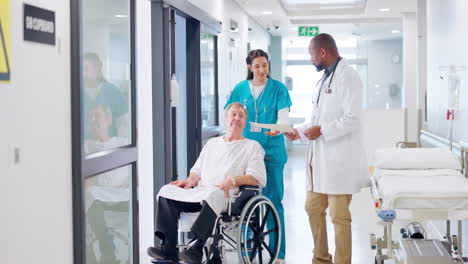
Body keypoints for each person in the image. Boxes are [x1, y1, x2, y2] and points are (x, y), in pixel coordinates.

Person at [285, 33, 369, 264]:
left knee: (339, 217)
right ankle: (321, 258)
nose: (310, 59)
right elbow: (317, 118)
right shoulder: (324, 79)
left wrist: (321, 130)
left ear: (322, 52)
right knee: (312, 208)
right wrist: (299, 131)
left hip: (339, 163)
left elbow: (353, 119)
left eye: (311, 54)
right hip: (319, 163)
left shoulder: (348, 77)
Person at [147, 102, 266, 264]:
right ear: (225, 119)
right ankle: (168, 248)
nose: (237, 118)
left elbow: (255, 177)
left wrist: (232, 181)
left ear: (245, 121)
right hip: (201, 193)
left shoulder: (252, 146)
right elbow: (196, 171)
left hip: (228, 197)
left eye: (241, 115)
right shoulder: (212, 144)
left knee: (214, 193)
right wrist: (188, 182)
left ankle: (197, 248)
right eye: (233, 114)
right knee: (167, 190)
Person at [225, 49, 292, 263]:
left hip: (271, 152)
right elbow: (230, 116)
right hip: (245, 152)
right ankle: (247, 250)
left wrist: (278, 129)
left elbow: (283, 119)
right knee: (246, 203)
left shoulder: (278, 89)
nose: (262, 70)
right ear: (249, 67)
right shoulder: (240, 89)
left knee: (273, 202)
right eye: (257, 66)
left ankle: (278, 253)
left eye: (265, 65)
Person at [84, 105, 130, 264]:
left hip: (124, 192)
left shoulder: (123, 143)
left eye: (98, 116)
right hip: (98, 194)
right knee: (90, 195)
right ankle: (107, 248)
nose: (94, 120)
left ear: (109, 120)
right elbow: (86, 179)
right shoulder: (85, 145)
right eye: (91, 117)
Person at [83, 52, 128, 138]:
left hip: (109, 146)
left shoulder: (113, 92)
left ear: (97, 68)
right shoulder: (78, 93)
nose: (82, 74)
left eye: (86, 69)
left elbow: (123, 125)